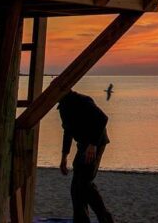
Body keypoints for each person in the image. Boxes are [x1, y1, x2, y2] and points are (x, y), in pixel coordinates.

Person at [58, 89, 114, 223]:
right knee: (76, 186)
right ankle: (81, 220)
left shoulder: (82, 101)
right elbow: (68, 131)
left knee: (83, 182)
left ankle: (105, 218)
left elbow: (102, 118)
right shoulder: (63, 107)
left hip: (96, 143)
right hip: (84, 144)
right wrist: (64, 157)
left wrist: (93, 144)